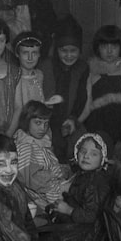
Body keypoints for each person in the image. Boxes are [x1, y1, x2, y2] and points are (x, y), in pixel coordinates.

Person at [39, 133, 111, 241]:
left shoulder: (95, 183)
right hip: (79, 230)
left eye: (94, 154)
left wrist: (68, 210)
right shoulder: (84, 176)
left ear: (102, 159)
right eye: (82, 151)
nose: (86, 156)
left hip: (85, 240)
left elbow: (90, 216)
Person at [38, 16, 88, 162]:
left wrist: (73, 118)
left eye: (73, 51)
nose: (68, 55)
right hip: (46, 123)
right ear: (56, 49)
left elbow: (82, 97)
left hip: (73, 121)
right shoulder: (45, 67)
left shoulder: (83, 68)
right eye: (63, 50)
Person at [79, 24, 121, 151]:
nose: (109, 51)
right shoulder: (91, 71)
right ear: (97, 48)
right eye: (104, 46)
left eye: (114, 46)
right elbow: (85, 104)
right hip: (97, 126)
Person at [12, 101, 73, 212]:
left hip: (53, 188)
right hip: (43, 199)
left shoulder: (40, 142)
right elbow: (30, 177)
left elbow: (50, 164)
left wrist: (62, 169)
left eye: (46, 123)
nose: (43, 128)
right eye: (38, 123)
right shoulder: (25, 146)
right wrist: (56, 179)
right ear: (26, 121)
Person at [13, 32, 49, 106]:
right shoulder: (13, 78)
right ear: (17, 54)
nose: (30, 58)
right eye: (25, 53)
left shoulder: (39, 74)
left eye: (34, 53)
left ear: (39, 54)